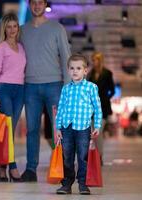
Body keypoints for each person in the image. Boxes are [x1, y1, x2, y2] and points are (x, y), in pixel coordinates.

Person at [20, 0, 71, 182]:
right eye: (33, 2)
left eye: (40, 2)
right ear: (29, 5)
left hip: (54, 85)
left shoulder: (57, 29)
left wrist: (67, 87)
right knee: (32, 129)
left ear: (45, 5)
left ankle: (65, 169)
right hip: (30, 86)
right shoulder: (22, 31)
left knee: (60, 129)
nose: (36, 5)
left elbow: (66, 57)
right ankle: (30, 170)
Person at [55, 53, 102, 195]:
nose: (75, 71)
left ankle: (83, 184)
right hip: (67, 127)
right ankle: (66, 184)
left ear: (85, 70)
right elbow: (61, 108)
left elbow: (97, 107)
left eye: (78, 68)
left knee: (83, 156)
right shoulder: (66, 89)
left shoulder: (91, 88)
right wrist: (58, 127)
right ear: (68, 70)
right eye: (72, 68)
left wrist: (97, 125)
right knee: (67, 156)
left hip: (83, 128)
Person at [0, 13, 26, 182]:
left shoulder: (21, 47)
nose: (12, 30)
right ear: (4, 29)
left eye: (15, 26)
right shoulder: (1, 48)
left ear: (18, 28)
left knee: (10, 130)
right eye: (9, 26)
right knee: (9, 128)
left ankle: (1, 168)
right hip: (4, 89)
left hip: (20, 90)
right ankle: (12, 167)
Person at [88, 52, 114, 164]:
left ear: (100, 60)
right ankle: (94, 156)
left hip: (103, 107)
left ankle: (99, 157)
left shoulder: (107, 73)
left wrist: (104, 98)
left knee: (98, 133)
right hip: (91, 108)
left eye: (96, 60)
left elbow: (112, 90)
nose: (94, 62)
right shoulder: (90, 74)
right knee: (92, 134)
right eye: (93, 60)